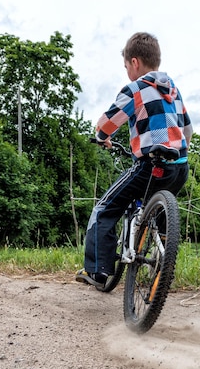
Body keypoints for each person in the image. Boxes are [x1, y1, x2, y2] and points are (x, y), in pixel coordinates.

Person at [76, 32, 192, 289]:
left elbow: (108, 122)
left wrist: (102, 137)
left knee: (104, 210)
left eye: (126, 65)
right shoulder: (173, 90)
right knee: (161, 211)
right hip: (179, 167)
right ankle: (162, 263)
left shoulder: (136, 89)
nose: (127, 70)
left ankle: (97, 271)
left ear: (135, 62)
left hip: (151, 166)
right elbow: (187, 130)